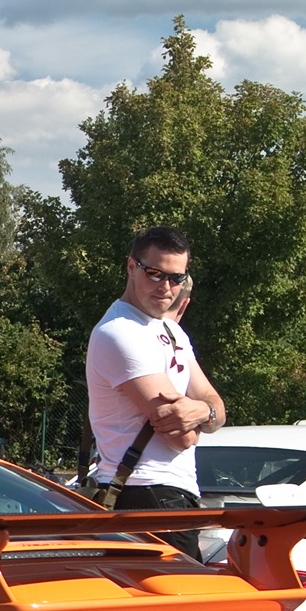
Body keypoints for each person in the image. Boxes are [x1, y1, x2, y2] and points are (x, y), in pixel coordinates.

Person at [85, 226, 226, 554]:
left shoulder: (171, 331)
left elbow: (215, 405)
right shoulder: (120, 332)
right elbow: (181, 437)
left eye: (176, 278)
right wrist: (202, 413)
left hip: (171, 493)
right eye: (155, 274)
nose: (166, 288)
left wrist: (202, 411)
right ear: (131, 267)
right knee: (175, 600)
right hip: (144, 491)